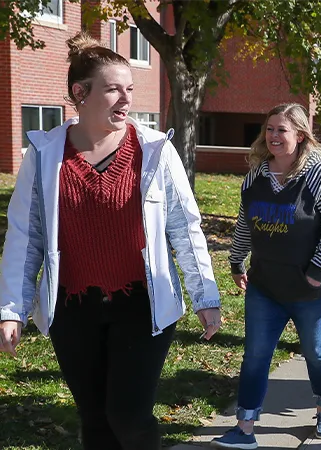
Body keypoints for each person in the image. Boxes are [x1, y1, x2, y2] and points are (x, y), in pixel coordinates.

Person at [0, 32, 221, 450]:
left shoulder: (154, 150)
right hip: (73, 308)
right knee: (95, 420)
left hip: (142, 303)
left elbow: (184, 226)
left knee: (129, 416)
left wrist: (205, 295)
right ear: (79, 93)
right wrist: (10, 309)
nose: (126, 99)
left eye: (130, 89)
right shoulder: (45, 155)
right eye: (114, 89)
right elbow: (25, 237)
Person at [212, 103, 321, 449]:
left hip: (311, 290)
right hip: (266, 286)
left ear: (300, 135)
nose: (273, 136)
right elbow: (246, 222)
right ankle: (244, 428)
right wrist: (236, 261)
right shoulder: (257, 174)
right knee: (256, 354)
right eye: (269, 129)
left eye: (282, 130)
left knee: (316, 351)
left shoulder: (319, 173)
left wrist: (317, 273)